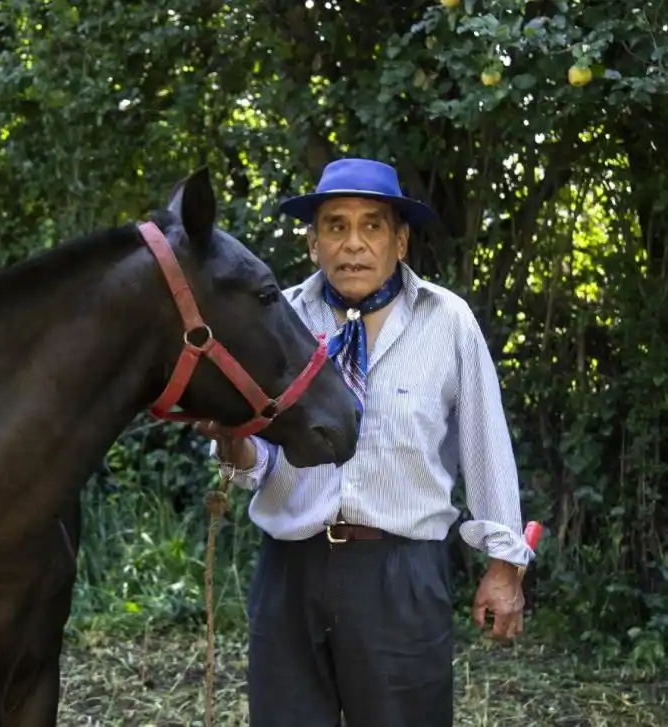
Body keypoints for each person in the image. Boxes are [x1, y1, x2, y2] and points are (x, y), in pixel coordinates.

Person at [199, 158, 534, 727]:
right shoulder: (278, 319)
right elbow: (255, 463)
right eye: (335, 226)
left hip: (400, 575)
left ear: (400, 241)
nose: (353, 244)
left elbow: (487, 443)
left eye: (372, 226)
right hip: (291, 571)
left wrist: (504, 564)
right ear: (313, 243)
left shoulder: (447, 321)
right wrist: (232, 441)